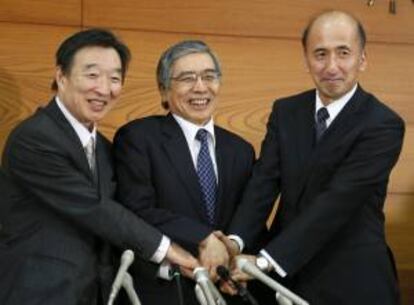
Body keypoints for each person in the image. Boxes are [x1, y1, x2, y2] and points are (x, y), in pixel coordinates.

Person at [0, 28, 197, 305]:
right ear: (61, 76)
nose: (104, 89)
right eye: (92, 75)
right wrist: (169, 250)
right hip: (37, 294)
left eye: (115, 78)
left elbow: (110, 233)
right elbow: (96, 210)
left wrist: (170, 267)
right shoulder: (34, 138)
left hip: (93, 294)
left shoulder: (104, 148)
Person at [220, 10, 404, 305]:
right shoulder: (285, 111)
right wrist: (234, 242)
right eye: (320, 54)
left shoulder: (383, 124)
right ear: (306, 59)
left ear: (363, 59)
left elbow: (336, 202)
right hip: (283, 281)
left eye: (343, 53)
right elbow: (263, 184)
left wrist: (266, 262)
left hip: (351, 281)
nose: (332, 66)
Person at [113, 40, 269, 305]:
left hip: (227, 293)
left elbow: (250, 217)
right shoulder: (138, 138)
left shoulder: (240, 150)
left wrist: (233, 251)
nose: (200, 87)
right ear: (163, 90)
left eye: (209, 77)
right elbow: (136, 208)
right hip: (163, 292)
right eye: (187, 78)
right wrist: (203, 238)